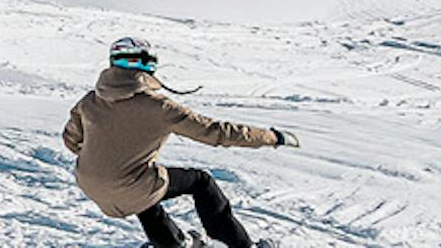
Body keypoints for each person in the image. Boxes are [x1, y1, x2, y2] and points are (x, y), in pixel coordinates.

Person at [63, 37, 295, 247]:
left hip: (90, 183)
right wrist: (272, 137)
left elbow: (71, 140)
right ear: (147, 65)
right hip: (130, 186)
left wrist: (105, 157)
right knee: (201, 182)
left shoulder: (90, 101)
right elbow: (216, 132)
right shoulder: (159, 107)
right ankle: (242, 245)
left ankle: (174, 242)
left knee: (143, 185)